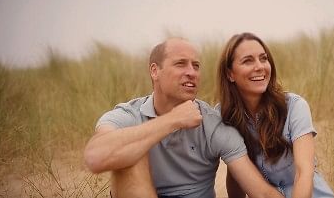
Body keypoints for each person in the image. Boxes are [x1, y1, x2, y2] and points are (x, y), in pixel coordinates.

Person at [84, 38, 284, 198]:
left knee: (129, 145)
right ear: (155, 71)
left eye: (196, 66)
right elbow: (95, 158)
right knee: (129, 152)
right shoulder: (129, 115)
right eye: (181, 64)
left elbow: (261, 192)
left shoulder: (213, 124)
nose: (191, 72)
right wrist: (172, 120)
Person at [216, 32, 334, 198]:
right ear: (230, 74)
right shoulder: (224, 115)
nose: (259, 66)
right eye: (248, 61)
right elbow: (235, 174)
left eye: (263, 58)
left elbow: (304, 172)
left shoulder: (294, 106)